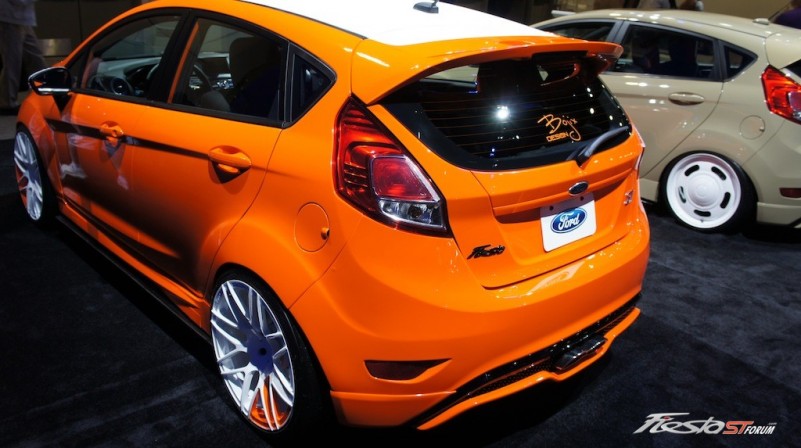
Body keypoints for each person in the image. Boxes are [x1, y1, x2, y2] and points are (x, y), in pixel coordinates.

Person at [0, 0, 47, 115]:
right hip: (9, 17)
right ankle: (7, 103)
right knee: (12, 62)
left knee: (35, 58)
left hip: (20, 18)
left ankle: (44, 93)